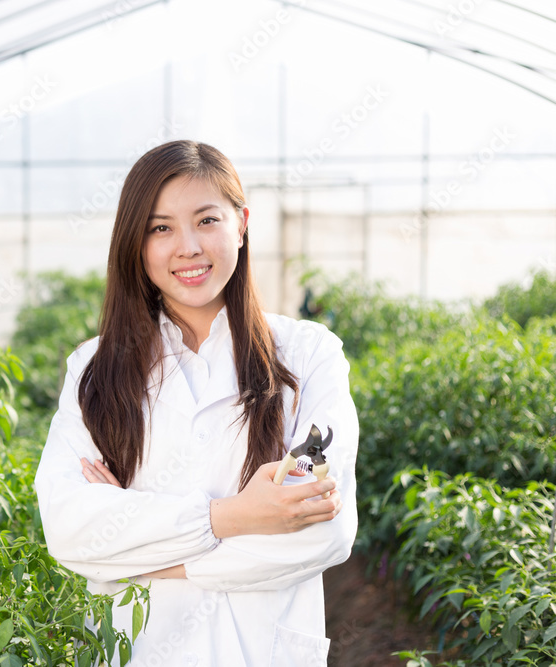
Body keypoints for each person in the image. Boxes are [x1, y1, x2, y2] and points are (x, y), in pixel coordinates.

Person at [33, 140, 358, 666]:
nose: (187, 246)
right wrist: (233, 517)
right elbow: (70, 527)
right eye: (160, 228)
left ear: (241, 223)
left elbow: (324, 530)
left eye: (207, 220)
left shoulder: (309, 353)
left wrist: (135, 559)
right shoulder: (94, 370)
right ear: (135, 244)